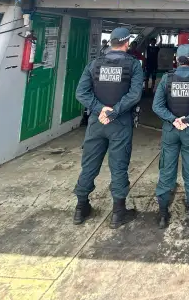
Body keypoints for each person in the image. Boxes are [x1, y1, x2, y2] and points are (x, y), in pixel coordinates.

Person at [73, 27, 144, 227]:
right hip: (120, 123)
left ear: (111, 42)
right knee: (119, 166)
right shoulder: (133, 65)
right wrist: (114, 111)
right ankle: (118, 214)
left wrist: (100, 110)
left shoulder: (95, 64)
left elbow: (81, 92)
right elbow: (134, 94)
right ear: (127, 43)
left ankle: (80, 209)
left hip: (97, 122)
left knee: (89, 165)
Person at [152, 44, 189, 229]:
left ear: (176, 59)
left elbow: (157, 106)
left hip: (170, 130)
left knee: (166, 171)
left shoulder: (167, 78)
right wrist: (187, 119)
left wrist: (173, 119)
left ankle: (163, 216)